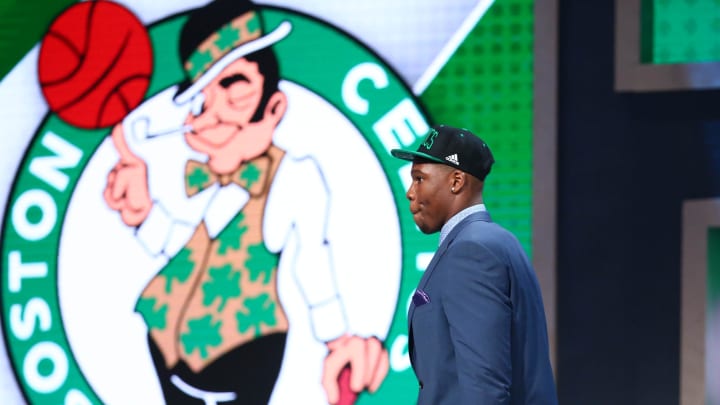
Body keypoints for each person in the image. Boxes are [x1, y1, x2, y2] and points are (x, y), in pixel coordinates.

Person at [102, 0, 392, 403]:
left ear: (273, 107)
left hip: (237, 357)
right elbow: (186, 249)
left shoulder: (295, 176)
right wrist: (142, 213)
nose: (212, 116)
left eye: (234, 89)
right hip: (165, 351)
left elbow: (312, 262)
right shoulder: (212, 183)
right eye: (200, 101)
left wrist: (337, 339)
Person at [390, 124, 558, 404]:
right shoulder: (498, 241)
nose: (410, 192)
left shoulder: (471, 251)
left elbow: (485, 385)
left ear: (456, 182)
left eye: (419, 179)